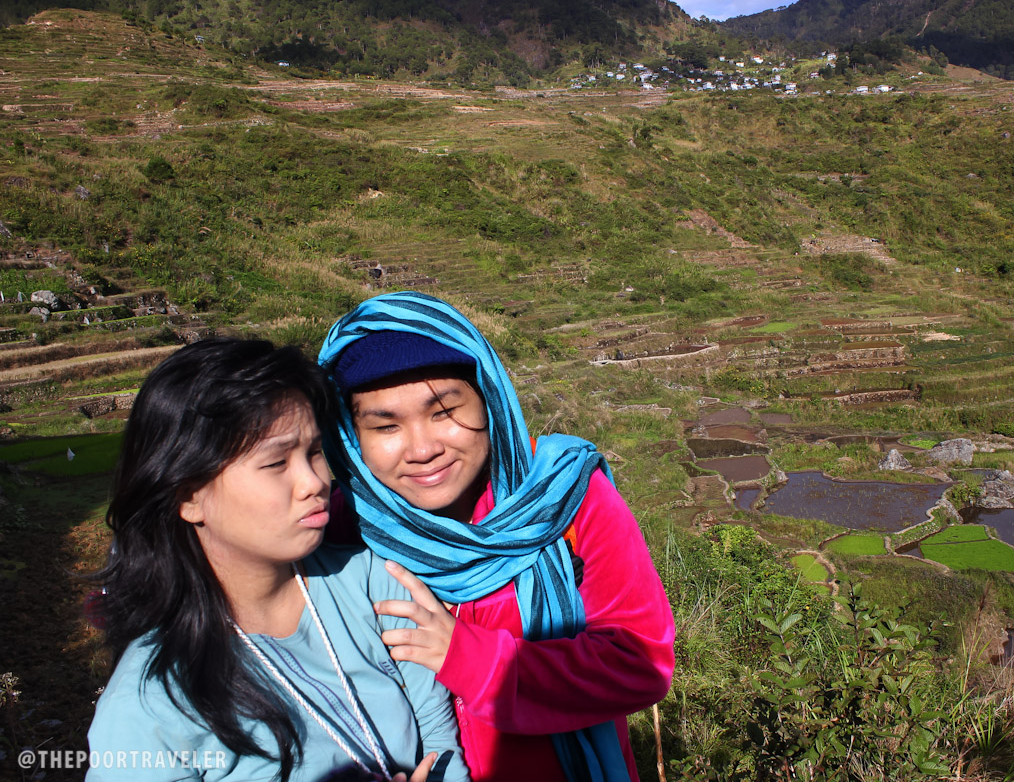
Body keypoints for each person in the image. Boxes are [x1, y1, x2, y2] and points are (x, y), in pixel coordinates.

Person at [318, 291, 675, 782]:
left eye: (444, 411)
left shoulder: (564, 497)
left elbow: (640, 663)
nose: (422, 449)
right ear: (351, 438)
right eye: (386, 426)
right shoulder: (343, 526)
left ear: (490, 400)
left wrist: (468, 659)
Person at [86, 338, 469, 782]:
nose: (314, 482)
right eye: (275, 463)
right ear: (189, 497)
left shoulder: (374, 582)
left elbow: (440, 743)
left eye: (313, 452)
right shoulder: (150, 702)